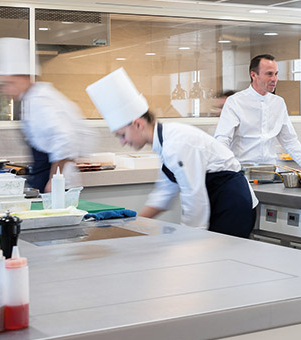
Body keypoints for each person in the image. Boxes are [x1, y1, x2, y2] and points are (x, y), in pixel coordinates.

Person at [86, 68, 256, 237]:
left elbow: (194, 196)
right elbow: (163, 194)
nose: (123, 142)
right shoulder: (165, 142)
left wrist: (191, 238)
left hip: (233, 204)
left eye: (122, 135)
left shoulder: (176, 143)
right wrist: (132, 225)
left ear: (138, 124)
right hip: (219, 202)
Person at [0, 37, 91, 192]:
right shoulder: (32, 99)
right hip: (46, 180)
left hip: (55, 186)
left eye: (9, 83)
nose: (5, 90)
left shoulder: (40, 101)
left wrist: (53, 181)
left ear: (24, 77)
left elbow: (65, 140)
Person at [214, 54, 301, 169]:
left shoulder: (279, 103)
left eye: (276, 74)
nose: (274, 79)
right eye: (269, 74)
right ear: (253, 75)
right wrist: (227, 166)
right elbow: (223, 139)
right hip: (242, 170)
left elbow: (289, 140)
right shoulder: (235, 102)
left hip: (271, 171)